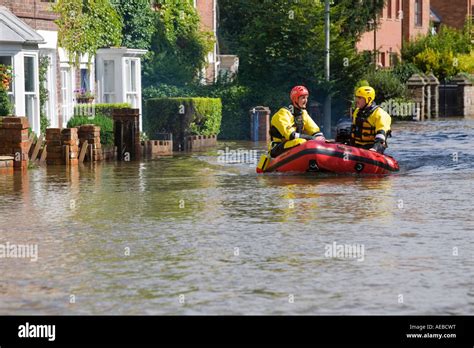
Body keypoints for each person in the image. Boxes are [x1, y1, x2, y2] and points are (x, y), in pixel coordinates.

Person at [269, 85, 325, 158]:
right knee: (301, 142)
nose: (306, 101)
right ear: (295, 99)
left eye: (306, 98)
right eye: (303, 98)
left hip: (294, 144)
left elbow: (315, 130)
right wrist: (313, 139)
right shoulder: (282, 114)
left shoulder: (303, 113)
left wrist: (320, 138)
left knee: (310, 142)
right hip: (277, 148)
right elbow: (291, 135)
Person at [351, 86, 392, 154]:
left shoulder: (380, 114)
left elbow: (381, 135)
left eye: (359, 98)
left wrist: (374, 148)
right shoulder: (357, 112)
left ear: (368, 99)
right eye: (356, 97)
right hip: (357, 147)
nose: (356, 100)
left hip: (372, 148)